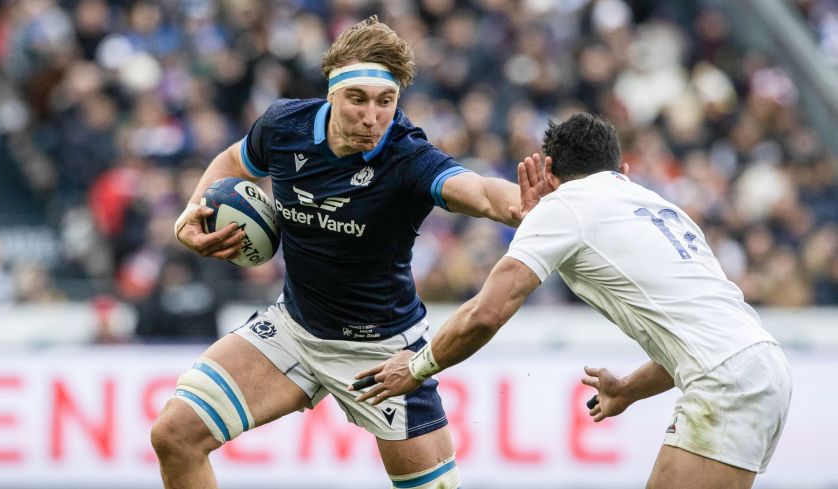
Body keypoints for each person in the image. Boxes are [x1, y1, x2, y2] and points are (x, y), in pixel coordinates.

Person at [150, 15, 548, 489]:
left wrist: (519, 205)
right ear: (331, 93)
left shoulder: (407, 157)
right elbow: (236, 161)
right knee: (174, 434)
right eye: (357, 99)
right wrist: (193, 210)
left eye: (386, 101)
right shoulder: (284, 125)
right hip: (293, 330)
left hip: (382, 352)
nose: (372, 116)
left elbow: (479, 192)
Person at [354, 113, 792, 489]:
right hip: (764, 366)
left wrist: (416, 367)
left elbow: (486, 314)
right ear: (621, 167)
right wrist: (627, 390)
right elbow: (697, 338)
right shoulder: (663, 208)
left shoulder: (564, 206)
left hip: (727, 382)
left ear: (547, 172)